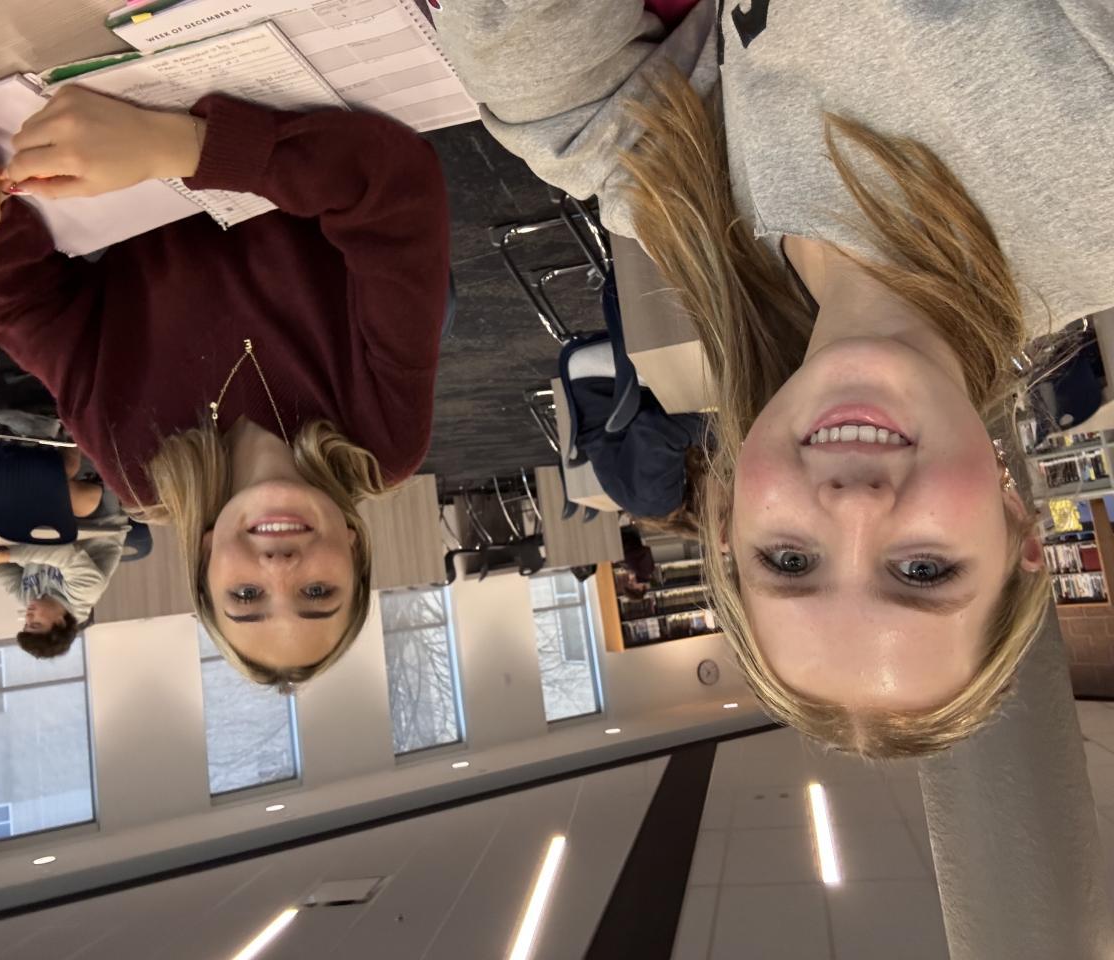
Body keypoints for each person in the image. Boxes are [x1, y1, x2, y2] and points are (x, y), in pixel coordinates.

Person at [432, 1, 1114, 755]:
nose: (854, 507)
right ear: (1017, 523)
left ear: (730, 520)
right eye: (922, 569)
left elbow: (543, 87)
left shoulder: (701, 213)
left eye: (791, 562)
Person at [0, 87, 450, 688]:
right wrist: (178, 147)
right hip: (286, 95)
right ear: (356, 550)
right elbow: (395, 185)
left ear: (204, 560)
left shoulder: (141, 470)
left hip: (120, 105)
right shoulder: (380, 440)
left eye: (246, 595)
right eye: (317, 592)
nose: (280, 568)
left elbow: (27, 306)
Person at [0, 532, 127, 659]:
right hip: (94, 519)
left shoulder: (30, 600)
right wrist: (7, 555)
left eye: (26, 624)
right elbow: (62, 553)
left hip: (51, 527)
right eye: (36, 624)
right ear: (60, 622)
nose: (28, 616)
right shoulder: (85, 592)